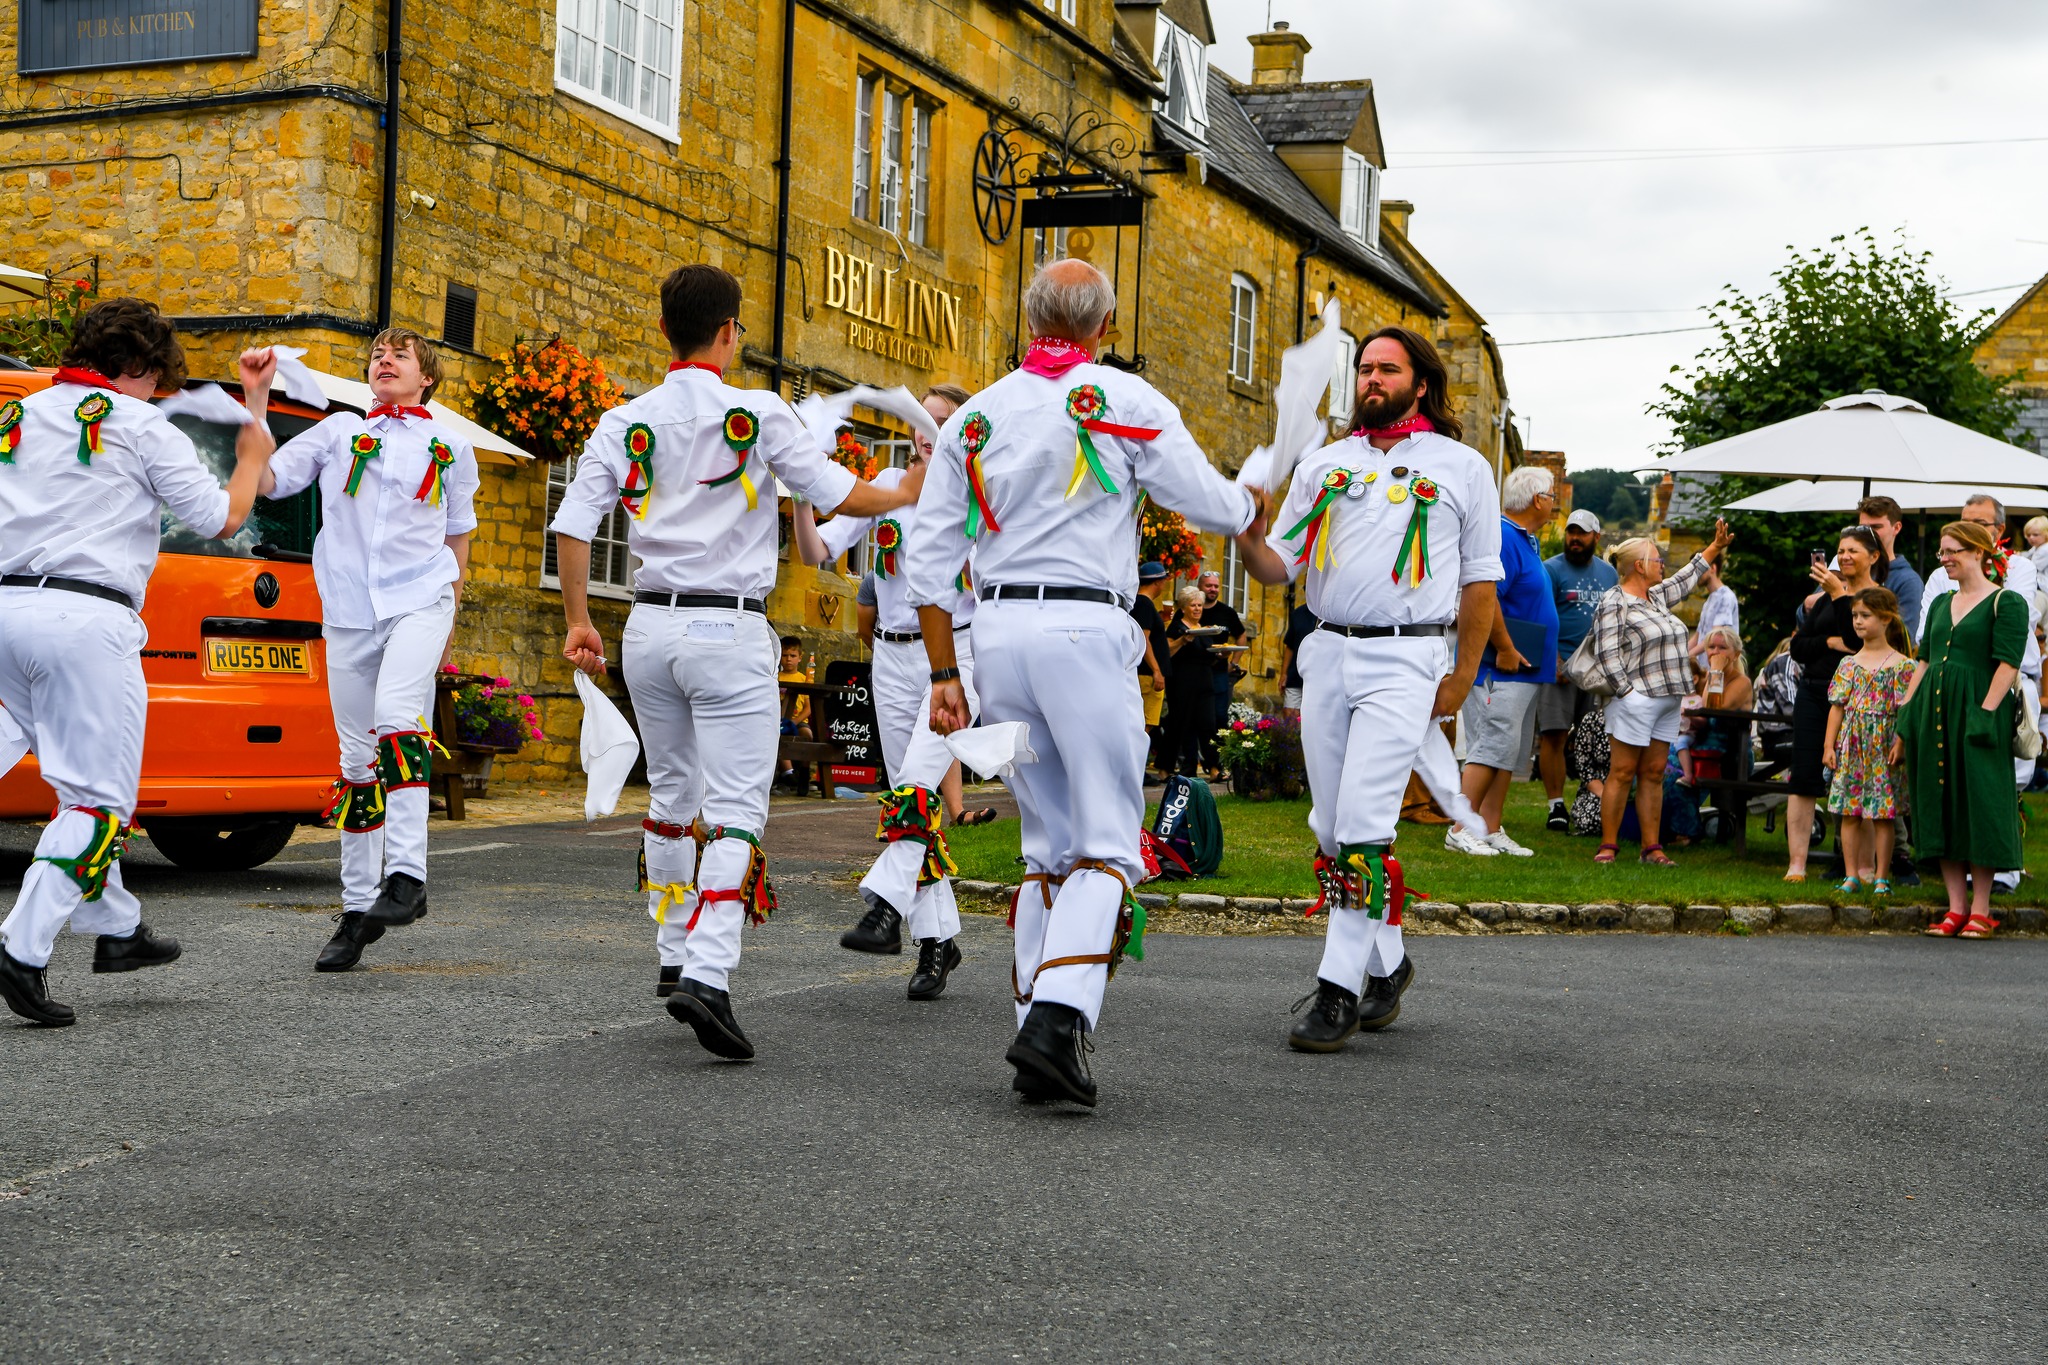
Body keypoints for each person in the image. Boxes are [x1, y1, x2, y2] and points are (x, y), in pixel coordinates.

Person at [907, 258, 1262, 1106]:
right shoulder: (1124, 402)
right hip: (1082, 626)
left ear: (1030, 318)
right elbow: (1208, 506)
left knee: (1047, 841)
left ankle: (1038, 1022)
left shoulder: (976, 417)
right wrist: (1250, 498)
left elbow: (928, 565)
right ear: (1105, 325)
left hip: (994, 634)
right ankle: (1057, 1020)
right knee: (1108, 838)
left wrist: (945, 672)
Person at [551, 263, 917, 1060]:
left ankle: (674, 950)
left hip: (647, 627)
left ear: (663, 332)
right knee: (739, 806)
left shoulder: (624, 419)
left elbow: (573, 525)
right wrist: (907, 490)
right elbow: (833, 491)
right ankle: (708, 974)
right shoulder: (758, 410)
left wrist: (581, 620)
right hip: (728, 629)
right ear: (728, 335)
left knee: (674, 794)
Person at [0, 302, 278, 1026]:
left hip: (5, 613)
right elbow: (221, 517)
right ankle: (21, 947)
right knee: (99, 802)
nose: (159, 393)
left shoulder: (16, 417)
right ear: (138, 369)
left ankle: (116, 929)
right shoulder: (139, 423)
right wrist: (250, 461)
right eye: (157, 381)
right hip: (85, 619)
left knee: (65, 776)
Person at [1237, 324, 1503, 1054]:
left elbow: (1481, 582)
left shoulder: (1462, 466)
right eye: (1362, 369)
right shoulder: (1324, 465)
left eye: (1387, 369)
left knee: (1361, 824)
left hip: (1408, 661)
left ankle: (1337, 990)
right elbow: (1276, 566)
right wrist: (1247, 534)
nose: (1370, 380)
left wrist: (1462, 673)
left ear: (1422, 382)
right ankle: (1388, 963)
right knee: (1329, 826)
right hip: (1326, 651)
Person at [261, 329, 480, 972]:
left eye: (400, 355)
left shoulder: (451, 446)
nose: (384, 361)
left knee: (395, 719)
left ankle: (407, 877)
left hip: (420, 598)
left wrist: (451, 612)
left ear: (427, 377)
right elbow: (272, 479)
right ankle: (357, 912)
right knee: (356, 759)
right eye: (378, 354)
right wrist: (254, 398)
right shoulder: (336, 432)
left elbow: (458, 535)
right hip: (350, 609)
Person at [790, 382, 978, 999]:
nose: (927, 428)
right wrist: (800, 498)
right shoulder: (893, 485)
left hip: (953, 653)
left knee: (918, 785)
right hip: (892, 659)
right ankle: (938, 943)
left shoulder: (979, 490)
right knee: (909, 795)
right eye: (920, 419)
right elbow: (818, 549)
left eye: (942, 420)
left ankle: (887, 910)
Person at [1900, 521, 2027, 939]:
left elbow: (2008, 664)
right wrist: (1906, 713)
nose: (1945, 559)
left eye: (1952, 551)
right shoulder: (1940, 604)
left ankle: (1982, 909)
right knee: (1939, 802)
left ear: (1978, 552)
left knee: (1980, 804)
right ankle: (1955, 908)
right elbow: (1923, 662)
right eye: (1942, 552)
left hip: (1977, 714)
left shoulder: (2006, 602)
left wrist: (1985, 714)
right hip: (1932, 712)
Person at [1583, 521, 1734, 866]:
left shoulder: (1655, 596)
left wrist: (1714, 547)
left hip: (1668, 699)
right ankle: (1608, 846)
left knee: (1653, 773)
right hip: (1635, 699)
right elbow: (1606, 653)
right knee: (1622, 772)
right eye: (1656, 559)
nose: (1662, 563)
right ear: (1639, 566)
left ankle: (1652, 848)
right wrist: (1627, 693)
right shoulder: (1614, 600)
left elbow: (1686, 578)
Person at [1919, 493, 2043, 887]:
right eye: (1964, 519)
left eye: (1981, 523)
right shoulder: (1943, 575)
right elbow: (1927, 627)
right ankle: (1963, 867)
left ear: (1997, 533)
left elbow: (2018, 616)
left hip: (2008, 681)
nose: (1969, 526)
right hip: (1952, 681)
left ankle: (2004, 866)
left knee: (2004, 778)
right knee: (1955, 779)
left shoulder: (2020, 567)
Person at [1452, 463, 1558, 857]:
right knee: (1491, 744)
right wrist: (1507, 648)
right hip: (1502, 668)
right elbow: (1486, 597)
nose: (1553, 505)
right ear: (1536, 500)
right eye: (1551, 497)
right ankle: (1461, 825)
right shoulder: (1505, 538)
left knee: (1506, 751)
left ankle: (1490, 826)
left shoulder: (1525, 539)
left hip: (1525, 669)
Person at [1784, 525, 1886, 881]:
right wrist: (1828, 642)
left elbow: (1858, 643)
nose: (1843, 557)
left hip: (1857, 697)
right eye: (1840, 550)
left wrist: (1841, 597)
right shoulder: (1826, 597)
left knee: (1858, 780)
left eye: (1852, 551)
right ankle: (1797, 864)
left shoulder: (1876, 598)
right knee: (1803, 777)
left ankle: (1863, 868)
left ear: (1873, 556)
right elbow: (1798, 647)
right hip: (1814, 691)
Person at [1822, 588, 1914, 895]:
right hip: (1853, 747)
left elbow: (1906, 710)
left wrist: (1899, 742)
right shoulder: (1849, 664)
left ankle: (1881, 876)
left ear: (1885, 618)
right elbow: (1837, 707)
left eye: (1865, 616)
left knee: (1883, 814)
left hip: (1883, 747)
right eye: (1855, 616)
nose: (1858, 622)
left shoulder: (1903, 666)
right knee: (1849, 811)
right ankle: (1851, 875)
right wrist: (1828, 746)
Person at [1537, 509, 1617, 831]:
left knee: (1595, 736)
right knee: (1554, 734)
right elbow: (1540, 616)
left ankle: (1590, 797)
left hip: (1597, 668)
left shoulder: (1610, 574)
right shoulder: (1551, 569)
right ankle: (1556, 805)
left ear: (1596, 537)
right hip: (1562, 664)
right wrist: (1553, 659)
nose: (1575, 539)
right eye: (1571, 532)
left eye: (1582, 533)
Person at [1162, 585, 1219, 778]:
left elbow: (1208, 654)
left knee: (1208, 723)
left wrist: (1220, 654)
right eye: (1193, 605)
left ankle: (1214, 767)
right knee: (1180, 723)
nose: (1197, 609)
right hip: (1182, 681)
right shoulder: (1177, 627)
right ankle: (1173, 767)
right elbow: (1167, 651)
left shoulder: (1204, 629)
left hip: (1204, 681)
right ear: (1184, 608)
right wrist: (1182, 641)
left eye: (1200, 605)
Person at [1855, 495, 1923, 643]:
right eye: (1863, 528)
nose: (1868, 534)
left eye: (1876, 527)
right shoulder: (1847, 567)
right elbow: (1804, 618)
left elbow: (1904, 640)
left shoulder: (1907, 581)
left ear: (1896, 528)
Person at [1196, 569, 1247, 765]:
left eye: (1216, 586)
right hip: (1197, 670)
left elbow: (1241, 635)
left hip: (1219, 672)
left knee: (1219, 717)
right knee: (1197, 716)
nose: (1213, 589)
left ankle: (1220, 761)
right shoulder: (1194, 609)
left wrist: (1234, 662)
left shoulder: (1227, 612)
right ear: (1200, 586)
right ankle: (1197, 760)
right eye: (1208, 585)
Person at [1130, 562, 1172, 772]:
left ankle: (1137, 768)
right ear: (1158, 581)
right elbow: (1143, 640)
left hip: (1145, 674)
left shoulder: (1142, 605)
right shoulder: (1144, 604)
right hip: (1147, 675)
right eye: (1164, 579)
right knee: (1143, 725)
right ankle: (1136, 769)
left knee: (1144, 724)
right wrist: (1156, 670)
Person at [1688, 559, 1739, 669]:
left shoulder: (1726, 597)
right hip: (1705, 667)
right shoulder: (1710, 600)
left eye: (1699, 569)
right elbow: (1697, 637)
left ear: (1713, 568)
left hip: (1719, 668)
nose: (1695, 574)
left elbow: (1714, 636)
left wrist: (1687, 656)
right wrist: (1679, 654)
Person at [774, 635, 811, 788]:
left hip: (799, 720)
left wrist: (795, 721)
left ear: (800, 658)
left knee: (808, 736)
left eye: (793, 656)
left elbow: (809, 708)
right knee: (776, 736)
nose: (788, 659)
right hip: (779, 720)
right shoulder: (776, 677)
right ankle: (788, 773)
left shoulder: (804, 679)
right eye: (785, 655)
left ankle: (804, 771)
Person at [1280, 600, 1315, 718]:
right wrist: (1283, 674)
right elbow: (1289, 646)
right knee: (1290, 719)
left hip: (1320, 678)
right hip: (1295, 675)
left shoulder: (1330, 615)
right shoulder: (1298, 614)